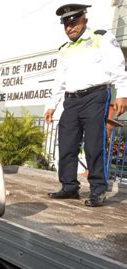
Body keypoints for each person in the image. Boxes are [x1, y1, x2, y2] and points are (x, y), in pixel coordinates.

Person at [44, 3, 127, 207]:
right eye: (66, 24)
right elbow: (59, 80)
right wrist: (51, 104)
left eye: (73, 22)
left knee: (93, 144)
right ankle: (69, 187)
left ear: (84, 20)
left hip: (95, 96)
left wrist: (122, 94)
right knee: (66, 144)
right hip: (71, 101)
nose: (70, 27)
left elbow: (118, 65)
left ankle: (98, 190)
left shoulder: (101, 38)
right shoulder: (65, 49)